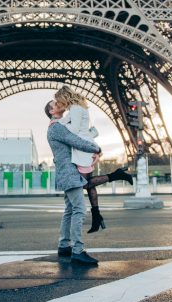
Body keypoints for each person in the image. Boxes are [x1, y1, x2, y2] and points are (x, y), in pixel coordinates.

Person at [45, 99, 132, 265]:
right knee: (79, 209)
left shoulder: (60, 125)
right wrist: (96, 149)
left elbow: (79, 136)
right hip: (69, 173)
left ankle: (64, 245)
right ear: (51, 112)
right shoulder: (56, 127)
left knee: (70, 209)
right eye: (55, 104)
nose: (60, 103)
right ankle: (77, 251)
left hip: (67, 172)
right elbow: (76, 141)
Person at [54, 85, 133, 233]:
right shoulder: (76, 108)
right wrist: (58, 122)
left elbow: (74, 130)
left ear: (64, 97)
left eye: (59, 101)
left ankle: (116, 175)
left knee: (83, 184)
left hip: (83, 149)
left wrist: (58, 126)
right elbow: (68, 123)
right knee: (88, 184)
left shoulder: (76, 109)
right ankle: (97, 217)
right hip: (83, 147)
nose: (59, 104)